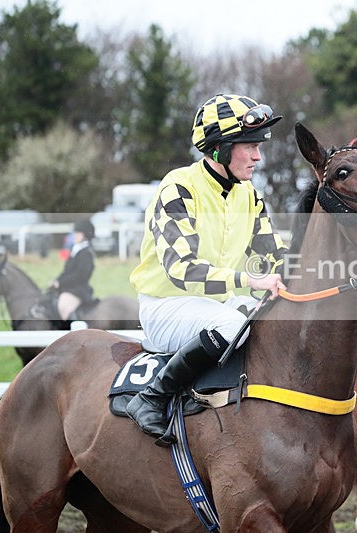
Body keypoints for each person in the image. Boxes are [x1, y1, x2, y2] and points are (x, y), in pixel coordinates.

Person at [127, 93, 288, 445]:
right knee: (234, 325)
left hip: (212, 307)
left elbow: (273, 254)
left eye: (259, 145)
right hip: (165, 306)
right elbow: (182, 270)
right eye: (249, 145)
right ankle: (151, 398)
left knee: (265, 321)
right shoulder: (178, 187)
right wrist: (249, 279)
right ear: (220, 148)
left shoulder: (249, 195)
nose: (258, 156)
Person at [51, 218, 95, 321]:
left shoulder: (86, 253)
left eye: (78, 233)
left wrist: (61, 283)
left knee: (63, 306)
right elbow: (67, 271)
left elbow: (80, 275)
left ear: (85, 235)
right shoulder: (75, 250)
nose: (75, 236)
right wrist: (57, 280)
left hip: (79, 290)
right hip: (69, 288)